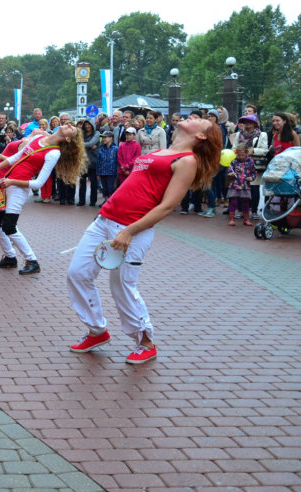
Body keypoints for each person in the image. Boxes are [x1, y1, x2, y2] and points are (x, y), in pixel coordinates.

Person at [66, 117, 222, 365]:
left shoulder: (187, 160)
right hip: (105, 219)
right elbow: (131, 183)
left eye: (199, 120)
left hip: (133, 229)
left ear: (202, 136)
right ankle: (97, 331)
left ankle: (145, 342)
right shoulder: (161, 151)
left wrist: (129, 231)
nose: (193, 117)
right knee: (77, 273)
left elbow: (168, 205)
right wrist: (105, 207)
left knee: (122, 286)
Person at [0, 125, 86, 274]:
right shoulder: (38, 138)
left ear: (68, 138)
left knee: (9, 226)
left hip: (18, 188)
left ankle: (32, 260)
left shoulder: (54, 153)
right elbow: (14, 158)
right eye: (70, 125)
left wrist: (12, 182)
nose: (69, 125)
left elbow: (38, 183)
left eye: (72, 130)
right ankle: (10, 257)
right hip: (7, 182)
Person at [229, 113, 268, 218]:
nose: (248, 123)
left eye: (251, 121)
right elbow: (234, 147)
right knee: (241, 188)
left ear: (255, 123)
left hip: (255, 165)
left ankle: (254, 211)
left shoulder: (262, 135)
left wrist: (253, 150)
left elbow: (265, 150)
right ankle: (242, 211)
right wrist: (238, 152)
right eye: (246, 121)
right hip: (240, 165)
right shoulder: (239, 134)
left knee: (254, 188)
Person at [225, 144, 256, 226]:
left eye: (243, 155)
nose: (241, 157)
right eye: (239, 155)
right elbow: (229, 171)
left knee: (245, 203)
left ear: (246, 153)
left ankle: (246, 220)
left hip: (245, 185)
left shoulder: (251, 162)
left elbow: (254, 172)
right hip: (234, 185)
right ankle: (232, 219)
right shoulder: (234, 162)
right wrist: (230, 173)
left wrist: (252, 178)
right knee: (233, 202)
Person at [78, 119, 100, 207]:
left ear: (92, 125)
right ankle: (81, 201)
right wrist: (89, 146)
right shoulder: (82, 134)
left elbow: (91, 143)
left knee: (94, 183)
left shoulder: (97, 133)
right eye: (86, 124)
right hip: (83, 161)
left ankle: (92, 201)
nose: (87, 126)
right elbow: (89, 144)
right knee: (82, 183)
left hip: (94, 161)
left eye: (89, 124)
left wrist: (82, 145)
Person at [96, 130, 119, 203]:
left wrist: (117, 172)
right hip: (103, 172)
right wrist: (98, 172)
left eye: (106, 137)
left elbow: (118, 160)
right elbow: (98, 161)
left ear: (111, 138)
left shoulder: (116, 149)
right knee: (104, 188)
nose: (104, 139)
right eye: (103, 137)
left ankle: (111, 201)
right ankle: (106, 200)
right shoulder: (101, 149)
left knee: (111, 188)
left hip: (112, 172)